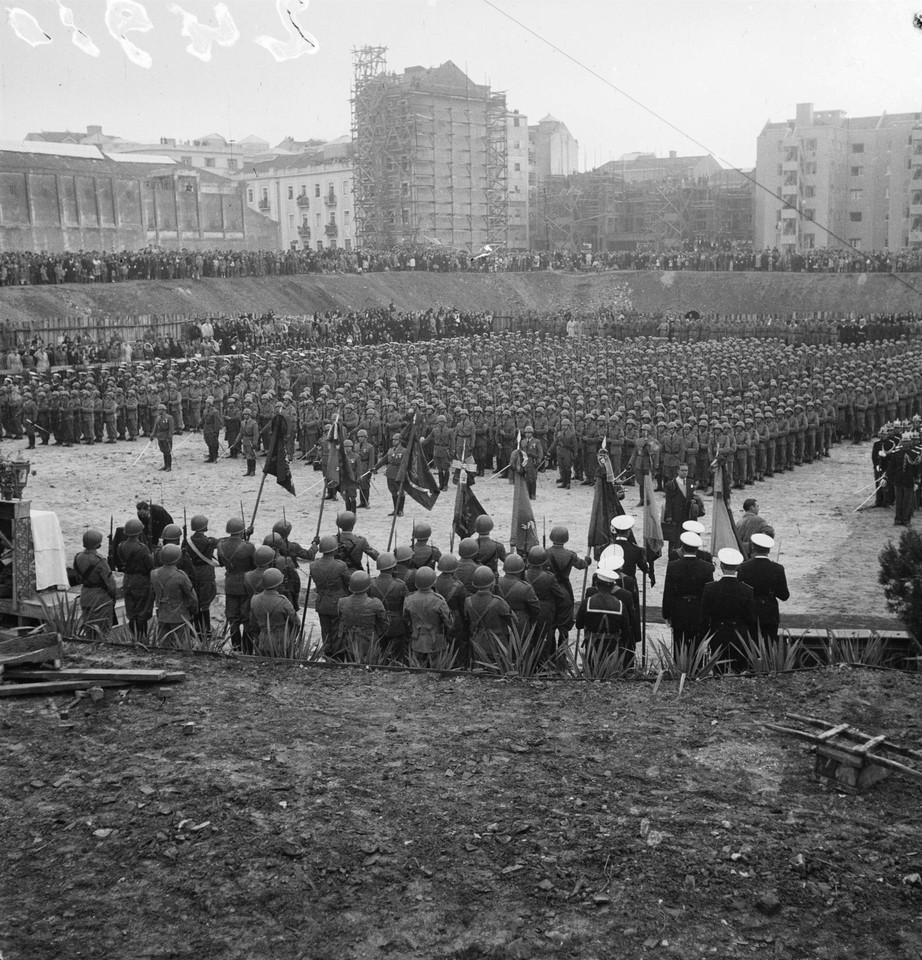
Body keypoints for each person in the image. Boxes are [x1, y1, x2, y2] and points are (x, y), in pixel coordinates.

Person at [700, 547, 757, 672]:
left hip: (718, 633)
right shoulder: (747, 590)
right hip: (740, 634)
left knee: (719, 670)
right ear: (737, 567)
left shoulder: (710, 588)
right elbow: (751, 618)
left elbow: (704, 616)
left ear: (720, 565)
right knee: (740, 670)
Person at [575, 548, 631, 671]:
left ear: (596, 583)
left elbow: (578, 625)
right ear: (612, 585)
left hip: (592, 649)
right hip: (612, 650)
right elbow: (626, 631)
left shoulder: (587, 602)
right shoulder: (620, 605)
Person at [661, 531, 714, 657]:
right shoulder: (706, 567)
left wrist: (666, 614)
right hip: (699, 610)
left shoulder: (673, 566)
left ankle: (679, 673)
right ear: (697, 549)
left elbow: (668, 591)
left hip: (679, 609)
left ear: (682, 548)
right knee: (698, 647)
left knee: (679, 645)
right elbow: (709, 593)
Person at [738, 532, 790, 642]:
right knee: (769, 648)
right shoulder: (777, 568)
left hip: (750, 613)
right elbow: (784, 596)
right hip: (770, 614)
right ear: (769, 550)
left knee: (751, 646)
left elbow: (740, 593)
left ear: (753, 547)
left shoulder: (743, 567)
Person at [308, 534, 351, 659]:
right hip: (337, 602)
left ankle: (328, 654)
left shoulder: (313, 565)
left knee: (325, 631)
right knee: (338, 632)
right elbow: (348, 583)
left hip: (321, 602)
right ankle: (337, 658)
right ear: (334, 549)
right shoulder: (340, 565)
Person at [217, 517, 256, 653]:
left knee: (233, 618)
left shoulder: (221, 545)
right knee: (247, 618)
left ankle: (236, 647)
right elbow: (254, 565)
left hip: (230, 584)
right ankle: (247, 649)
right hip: (246, 584)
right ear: (241, 531)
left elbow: (222, 563)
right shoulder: (248, 547)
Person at [403, 566, 453, 666]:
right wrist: (448, 638)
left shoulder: (409, 599)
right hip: (436, 642)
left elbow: (406, 621)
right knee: (437, 672)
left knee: (418, 671)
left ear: (417, 583)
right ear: (433, 582)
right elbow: (449, 623)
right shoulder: (439, 600)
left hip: (417, 641)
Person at [465, 565, 516, 663]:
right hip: (497, 642)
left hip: (478, 642)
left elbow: (468, 621)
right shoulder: (498, 602)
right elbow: (514, 620)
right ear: (492, 583)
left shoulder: (468, 601)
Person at [181, 514, 219, 642]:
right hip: (206, 574)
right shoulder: (209, 541)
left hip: (191, 573)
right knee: (205, 604)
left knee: (194, 601)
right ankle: (206, 631)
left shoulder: (186, 541)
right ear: (204, 526)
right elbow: (224, 541)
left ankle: (195, 629)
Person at [150, 543, 198, 645]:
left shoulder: (154, 574)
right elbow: (192, 598)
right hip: (179, 616)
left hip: (162, 614)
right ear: (177, 558)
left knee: (164, 645)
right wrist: (193, 611)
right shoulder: (181, 576)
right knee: (181, 646)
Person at [74, 528, 118, 637]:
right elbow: (111, 584)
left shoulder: (77, 557)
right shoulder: (100, 561)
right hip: (100, 599)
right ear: (98, 545)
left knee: (89, 629)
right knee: (103, 631)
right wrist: (113, 596)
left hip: (85, 595)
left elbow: (78, 578)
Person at [117, 517, 154, 641]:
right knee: (142, 613)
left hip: (127, 579)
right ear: (139, 532)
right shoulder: (142, 548)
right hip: (141, 581)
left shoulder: (121, 546)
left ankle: (134, 638)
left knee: (131, 613)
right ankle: (143, 639)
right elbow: (150, 566)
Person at [337, 570, 387, 661]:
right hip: (370, 643)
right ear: (367, 587)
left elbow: (341, 619)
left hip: (350, 643)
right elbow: (384, 624)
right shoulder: (375, 603)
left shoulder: (342, 602)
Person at [369, 552, 409, 661]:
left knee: (380, 652)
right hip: (397, 623)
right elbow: (406, 606)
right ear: (392, 567)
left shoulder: (371, 583)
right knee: (398, 654)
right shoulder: (400, 584)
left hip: (378, 624)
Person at [249, 568, 298, 654]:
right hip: (282, 643)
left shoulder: (254, 599)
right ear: (277, 585)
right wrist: (291, 639)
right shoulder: (283, 601)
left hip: (263, 641)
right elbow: (296, 623)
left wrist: (258, 638)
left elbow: (253, 625)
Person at [662, 463, 703, 554]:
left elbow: (692, 495)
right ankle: (673, 554)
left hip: (688, 514)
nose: (685, 472)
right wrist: (669, 517)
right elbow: (668, 502)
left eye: (686, 470)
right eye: (682, 470)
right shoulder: (671, 484)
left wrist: (694, 500)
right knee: (675, 537)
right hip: (676, 515)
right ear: (678, 471)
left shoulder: (690, 483)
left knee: (687, 534)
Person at [496, 554, 540, 636]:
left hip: (501, 624)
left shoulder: (495, 584)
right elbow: (535, 609)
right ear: (521, 570)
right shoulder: (525, 588)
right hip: (521, 625)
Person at [884, 431, 921, 526]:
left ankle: (906, 520)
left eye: (907, 441)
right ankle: (898, 519)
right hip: (898, 480)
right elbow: (891, 466)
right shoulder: (897, 453)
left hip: (909, 480)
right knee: (899, 500)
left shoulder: (914, 454)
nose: (905, 443)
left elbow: (917, 470)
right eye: (904, 441)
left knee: (907, 501)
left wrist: (917, 482)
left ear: (910, 442)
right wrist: (886, 476)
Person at [374, 432, 407, 516]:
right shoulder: (390, 450)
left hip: (399, 473)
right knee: (393, 491)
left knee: (400, 492)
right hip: (390, 472)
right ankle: (395, 509)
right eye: (393, 440)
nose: (394, 441)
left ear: (400, 441)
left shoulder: (404, 451)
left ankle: (401, 510)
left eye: (396, 440)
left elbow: (407, 464)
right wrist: (375, 467)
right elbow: (383, 460)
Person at [152, 403, 175, 472]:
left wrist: (169, 436)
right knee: (163, 451)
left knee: (168, 451)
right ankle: (165, 465)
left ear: (163, 410)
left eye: (160, 410)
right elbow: (155, 427)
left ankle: (169, 466)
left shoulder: (169, 418)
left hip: (166, 436)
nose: (159, 411)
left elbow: (171, 428)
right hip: (160, 436)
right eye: (158, 410)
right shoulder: (158, 418)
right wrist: (153, 435)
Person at [201, 396, 224, 463]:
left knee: (214, 443)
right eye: (206, 403)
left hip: (212, 428)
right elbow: (203, 420)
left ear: (210, 404)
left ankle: (214, 457)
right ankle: (210, 457)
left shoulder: (215, 411)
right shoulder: (205, 411)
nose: (206, 404)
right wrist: (198, 426)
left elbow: (217, 422)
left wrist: (215, 431)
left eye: (207, 403)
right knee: (208, 442)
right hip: (206, 428)